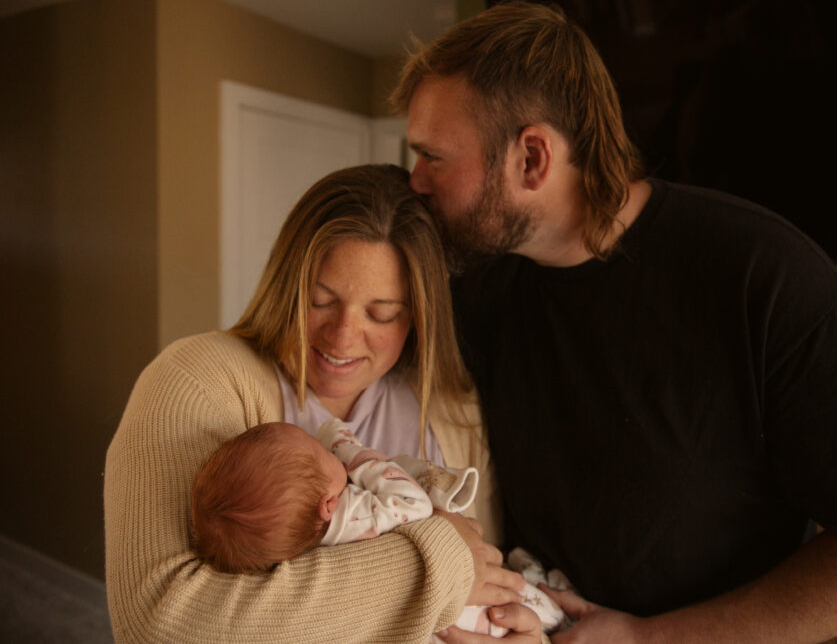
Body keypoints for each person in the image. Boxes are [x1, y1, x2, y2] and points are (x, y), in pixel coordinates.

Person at [389, 0, 837, 642]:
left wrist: (647, 639)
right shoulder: (481, 286)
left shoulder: (762, 276)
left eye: (434, 156)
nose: (416, 181)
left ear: (533, 159)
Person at [104, 164, 538, 643]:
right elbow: (160, 625)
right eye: (320, 300)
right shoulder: (196, 380)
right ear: (286, 285)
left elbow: (490, 575)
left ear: (418, 316)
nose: (342, 338)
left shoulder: (453, 410)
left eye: (382, 313)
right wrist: (437, 564)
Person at [190, 418, 566, 638]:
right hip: (476, 614)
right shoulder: (353, 513)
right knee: (536, 607)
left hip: (436, 621)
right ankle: (558, 607)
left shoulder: (305, 547)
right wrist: (351, 451)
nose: (325, 447)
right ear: (327, 504)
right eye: (318, 451)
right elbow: (413, 504)